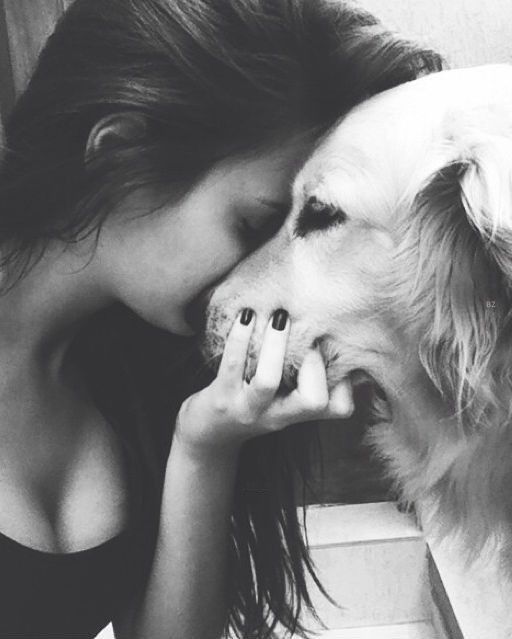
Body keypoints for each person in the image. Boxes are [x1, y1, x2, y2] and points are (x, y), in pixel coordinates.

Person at [0, 0, 441, 637]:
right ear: (119, 151)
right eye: (258, 224)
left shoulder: (142, 370)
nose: (268, 282)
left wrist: (205, 450)